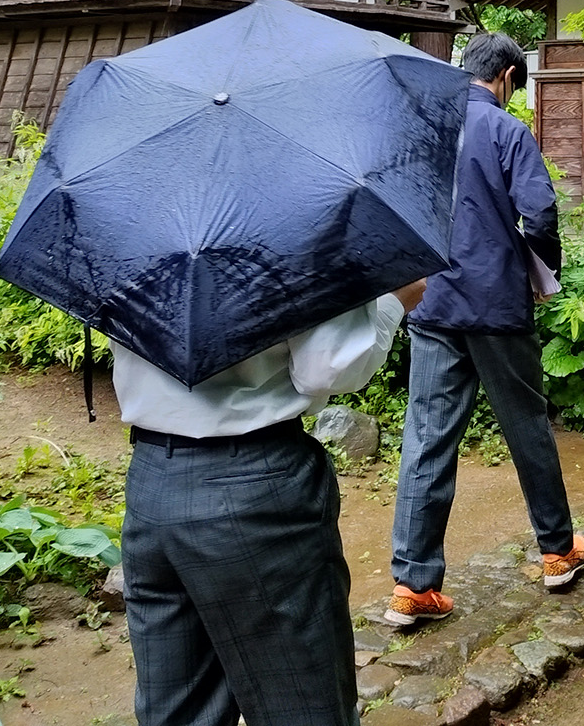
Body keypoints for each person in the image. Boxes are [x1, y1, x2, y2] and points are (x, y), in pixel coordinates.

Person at [116, 278, 428, 726]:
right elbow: (327, 366)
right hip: (255, 489)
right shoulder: (286, 225)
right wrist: (395, 302)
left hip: (153, 482)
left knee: (179, 710)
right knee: (303, 704)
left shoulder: (128, 224)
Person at [387, 31, 584, 626]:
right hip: (496, 302)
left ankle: (413, 584)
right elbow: (541, 210)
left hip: (431, 302)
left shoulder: (424, 128)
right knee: (526, 427)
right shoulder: (507, 130)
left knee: (426, 437)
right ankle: (557, 552)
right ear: (503, 74)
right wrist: (542, 269)